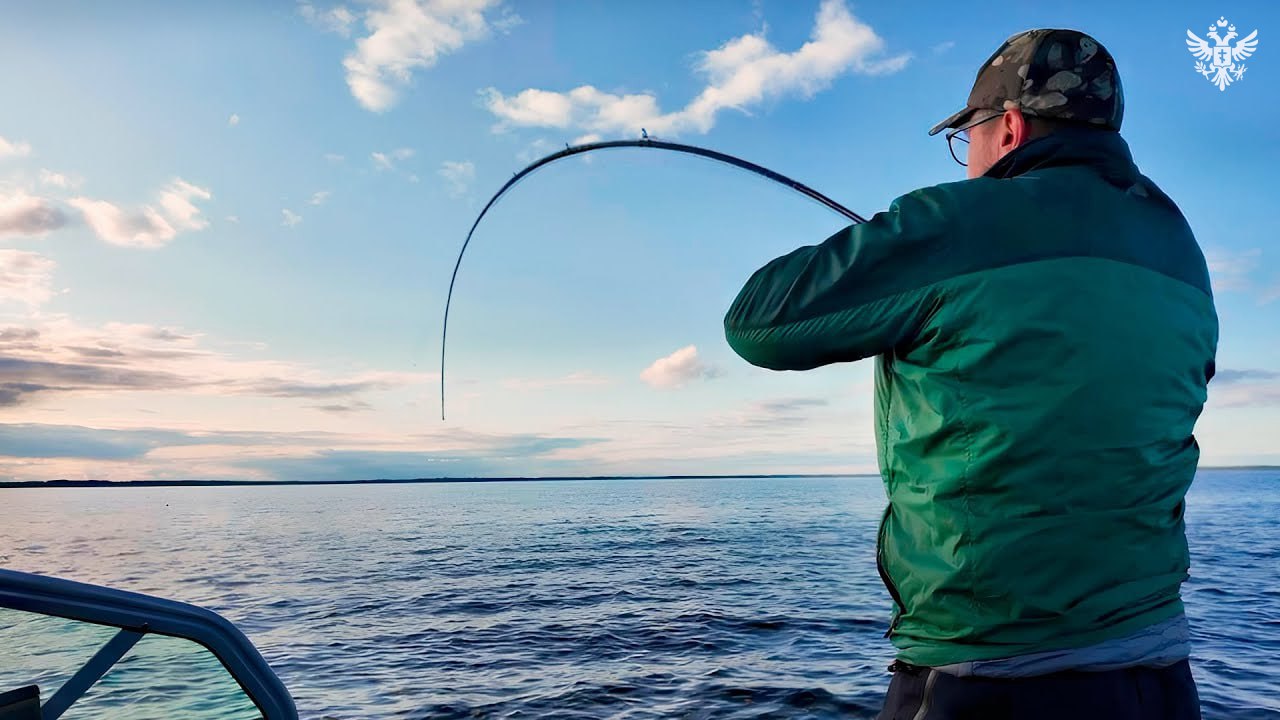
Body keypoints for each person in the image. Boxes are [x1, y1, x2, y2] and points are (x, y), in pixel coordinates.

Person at [723, 28, 1216, 720]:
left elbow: (756, 324)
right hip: (1157, 669)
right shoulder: (1177, 243)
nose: (967, 158)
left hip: (992, 676)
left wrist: (890, 242)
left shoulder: (950, 224)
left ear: (1008, 126)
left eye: (968, 136)